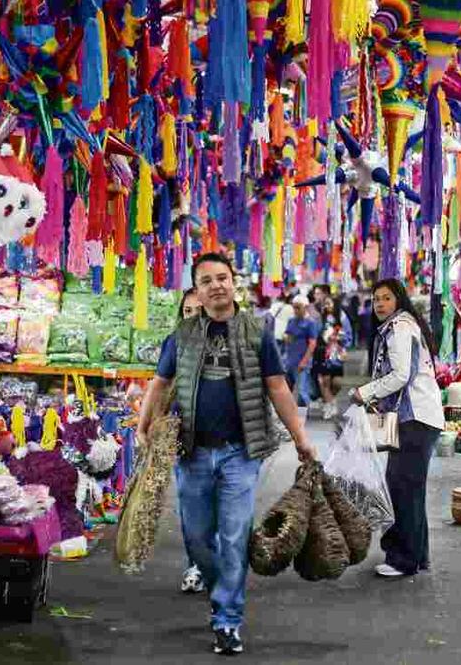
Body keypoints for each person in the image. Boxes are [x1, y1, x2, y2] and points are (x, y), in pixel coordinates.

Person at [137, 253, 317, 656]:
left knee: (234, 536)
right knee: (198, 539)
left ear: (234, 283)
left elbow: (278, 388)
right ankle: (222, 586)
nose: (216, 285)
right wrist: (144, 423)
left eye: (222, 278)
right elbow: (160, 383)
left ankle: (227, 619)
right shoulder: (182, 335)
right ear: (197, 292)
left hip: (241, 453)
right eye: (206, 281)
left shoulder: (257, 332)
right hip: (192, 452)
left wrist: (301, 438)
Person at [352, 278, 445, 578]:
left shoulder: (400, 327)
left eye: (386, 298)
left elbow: (401, 374)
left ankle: (403, 560)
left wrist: (366, 392)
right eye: (376, 299)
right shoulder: (402, 326)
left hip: (415, 419)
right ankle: (418, 556)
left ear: (399, 300)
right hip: (418, 419)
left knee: (402, 488)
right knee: (409, 489)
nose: (380, 304)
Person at [172, 289, 206, 595]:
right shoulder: (174, 345)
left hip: (223, 443)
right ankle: (197, 564)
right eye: (187, 311)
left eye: (199, 310)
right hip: (184, 441)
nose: (192, 317)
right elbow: (160, 387)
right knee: (190, 508)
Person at [314, 296, 352, 420]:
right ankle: (330, 404)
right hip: (322, 353)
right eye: (325, 304)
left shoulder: (342, 316)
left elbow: (348, 335)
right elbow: (315, 334)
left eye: (329, 303)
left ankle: (330, 400)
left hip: (336, 355)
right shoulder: (320, 317)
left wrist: (339, 339)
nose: (326, 306)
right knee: (324, 381)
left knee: (336, 383)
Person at [283, 294, 319, 407]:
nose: (295, 310)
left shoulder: (310, 323)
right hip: (290, 360)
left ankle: (303, 413)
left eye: (298, 308)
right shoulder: (291, 321)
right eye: (294, 307)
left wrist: (304, 361)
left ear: (305, 307)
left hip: (302, 360)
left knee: (302, 390)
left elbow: (312, 344)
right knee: (287, 389)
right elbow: (288, 337)